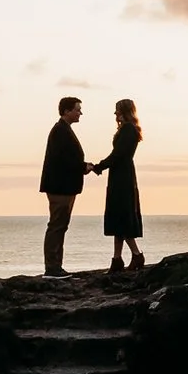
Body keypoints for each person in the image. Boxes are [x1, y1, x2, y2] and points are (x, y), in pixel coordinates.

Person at [39, 96, 92, 276]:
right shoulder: (60, 131)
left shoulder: (63, 129)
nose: (80, 113)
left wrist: (82, 166)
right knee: (57, 225)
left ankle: (55, 266)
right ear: (67, 111)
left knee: (60, 225)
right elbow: (63, 160)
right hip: (59, 187)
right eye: (77, 109)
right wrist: (83, 166)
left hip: (64, 186)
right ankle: (52, 268)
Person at [95, 98, 145, 271]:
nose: (115, 113)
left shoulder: (128, 130)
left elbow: (118, 155)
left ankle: (137, 255)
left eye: (117, 110)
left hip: (123, 177)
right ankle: (117, 259)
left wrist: (98, 166)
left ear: (124, 111)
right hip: (119, 175)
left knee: (122, 217)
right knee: (118, 217)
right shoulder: (126, 129)